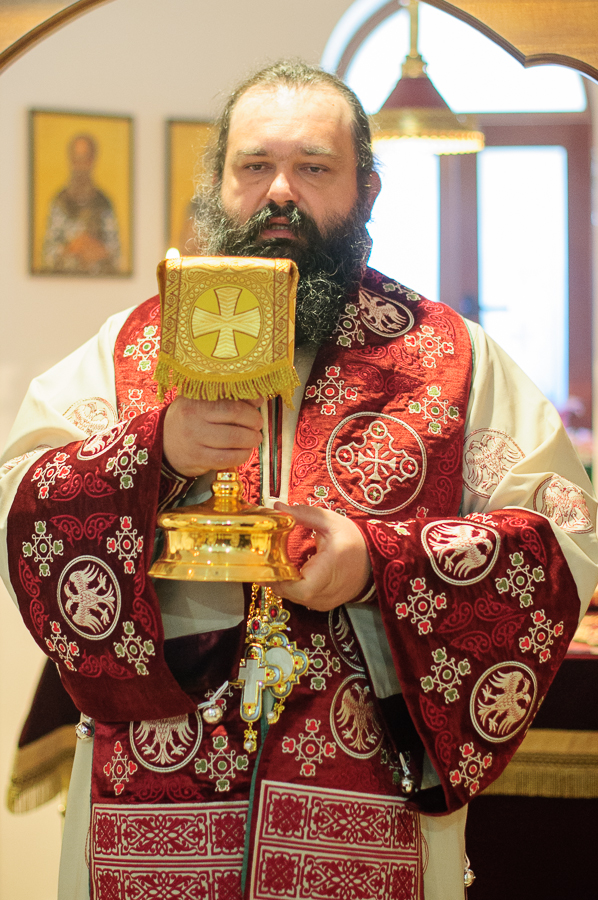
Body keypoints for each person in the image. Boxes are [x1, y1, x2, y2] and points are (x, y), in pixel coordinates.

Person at [2, 61, 597, 900]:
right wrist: (153, 449)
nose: (279, 191)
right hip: (153, 795)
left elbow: (561, 532)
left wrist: (379, 563)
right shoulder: (128, 349)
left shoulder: (449, 358)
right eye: (255, 165)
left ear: (367, 190)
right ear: (218, 184)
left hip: (366, 801)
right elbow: (24, 499)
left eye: (313, 167)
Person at [41, 133, 121, 275]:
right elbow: (47, 256)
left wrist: (96, 248)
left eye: (85, 158)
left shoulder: (104, 203)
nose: (80, 165)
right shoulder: (59, 203)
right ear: (71, 160)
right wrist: (72, 248)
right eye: (76, 158)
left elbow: (117, 256)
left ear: (92, 160)